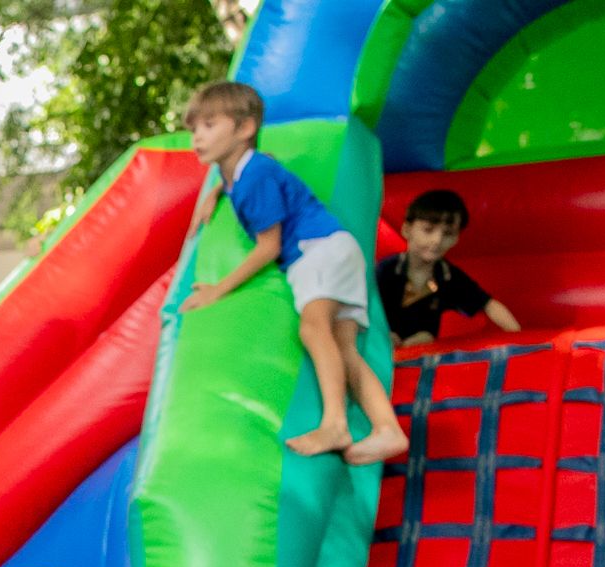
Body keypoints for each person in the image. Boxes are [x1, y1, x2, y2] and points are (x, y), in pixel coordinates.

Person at [180, 80, 408, 466]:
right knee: (345, 348)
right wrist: (215, 191)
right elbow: (257, 161)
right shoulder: (244, 170)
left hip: (316, 251)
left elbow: (269, 247)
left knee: (312, 328)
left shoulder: (254, 177)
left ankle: (335, 423)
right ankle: (388, 428)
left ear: (245, 127)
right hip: (339, 250)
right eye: (194, 129)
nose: (197, 137)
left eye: (209, 125)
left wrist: (218, 290)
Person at [377, 189, 522, 348]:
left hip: (419, 354)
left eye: (447, 233)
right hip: (377, 343)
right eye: (428, 230)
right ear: (407, 230)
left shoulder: (448, 277)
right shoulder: (386, 270)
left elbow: (489, 305)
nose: (437, 240)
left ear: (456, 239)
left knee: (423, 337)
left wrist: (520, 339)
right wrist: (381, 335)